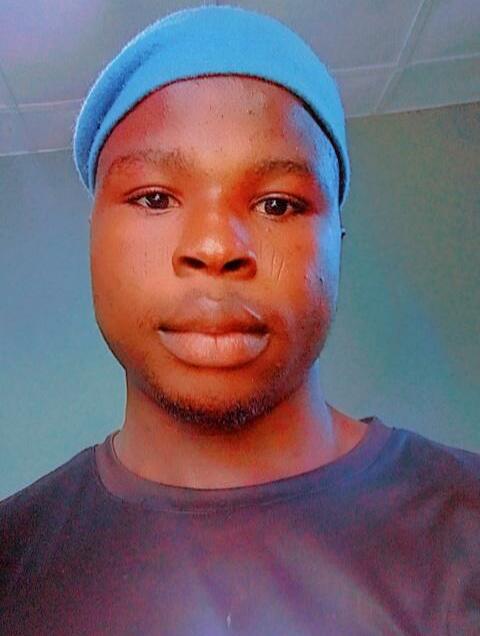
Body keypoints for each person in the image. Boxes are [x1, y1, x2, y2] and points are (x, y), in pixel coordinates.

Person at [1, 5, 478, 635]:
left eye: (277, 204)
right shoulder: (12, 560)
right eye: (155, 197)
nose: (215, 246)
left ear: (337, 241)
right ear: (94, 240)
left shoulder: (466, 522)